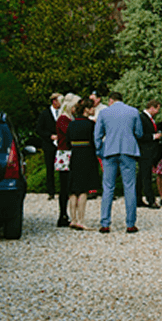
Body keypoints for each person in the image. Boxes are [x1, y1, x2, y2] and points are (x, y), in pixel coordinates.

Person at [94, 91, 143, 233]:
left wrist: (99, 150)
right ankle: (130, 224)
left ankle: (105, 223)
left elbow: (97, 135)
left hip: (109, 151)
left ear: (110, 100)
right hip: (128, 151)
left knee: (108, 188)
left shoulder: (104, 113)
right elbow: (139, 133)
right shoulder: (133, 111)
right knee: (130, 187)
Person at [66, 97, 98, 230]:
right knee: (84, 189)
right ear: (86, 110)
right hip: (87, 155)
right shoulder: (90, 124)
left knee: (73, 188)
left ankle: (73, 219)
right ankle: (81, 219)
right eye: (92, 108)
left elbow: (67, 142)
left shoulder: (71, 124)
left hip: (75, 154)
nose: (94, 110)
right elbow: (95, 141)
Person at [53, 93, 78, 227]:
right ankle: (63, 213)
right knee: (64, 186)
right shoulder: (63, 120)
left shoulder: (69, 119)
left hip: (68, 152)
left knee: (68, 184)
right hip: (65, 153)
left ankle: (68, 213)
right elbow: (69, 133)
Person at [35, 93, 62, 202]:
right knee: (49, 168)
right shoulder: (45, 114)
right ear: (54, 101)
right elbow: (39, 129)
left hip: (61, 144)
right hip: (49, 144)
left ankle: (63, 189)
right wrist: (49, 136)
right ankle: (51, 191)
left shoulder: (63, 113)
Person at [137, 100, 162, 208]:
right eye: (157, 109)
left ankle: (137, 198)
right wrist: (153, 136)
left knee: (141, 175)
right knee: (146, 176)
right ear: (152, 107)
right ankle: (150, 199)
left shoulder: (149, 118)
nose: (157, 112)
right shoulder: (142, 118)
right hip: (144, 150)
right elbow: (139, 135)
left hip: (149, 150)